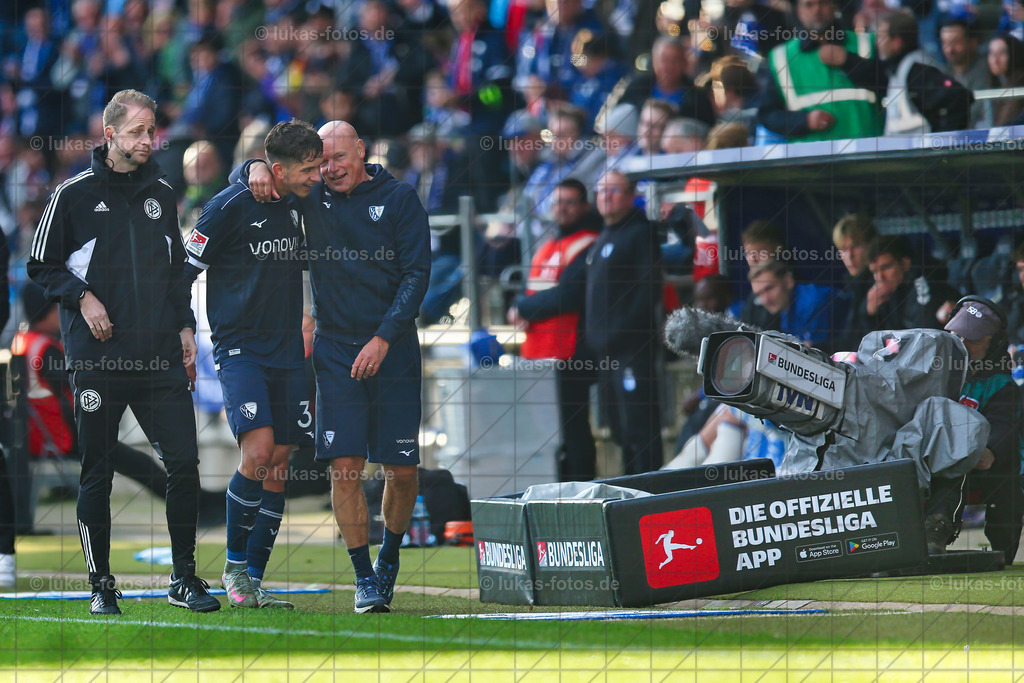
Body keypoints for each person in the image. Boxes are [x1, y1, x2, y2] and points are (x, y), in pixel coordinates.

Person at [27, 89, 220, 615]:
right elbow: (39, 265)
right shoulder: (72, 194)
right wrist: (83, 297)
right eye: (137, 132)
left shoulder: (163, 191)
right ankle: (101, 585)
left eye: (151, 130)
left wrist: (185, 327)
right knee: (99, 470)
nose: (147, 140)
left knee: (184, 463)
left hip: (159, 355)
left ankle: (184, 578)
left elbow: (174, 269)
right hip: (97, 358)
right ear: (109, 135)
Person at [243, 121, 430, 614]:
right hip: (334, 350)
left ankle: (389, 556)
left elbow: (417, 274)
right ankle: (364, 577)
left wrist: (383, 339)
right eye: (320, 161)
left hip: (393, 350)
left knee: (402, 469)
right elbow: (263, 176)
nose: (329, 169)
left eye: (337, 158)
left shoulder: (400, 199)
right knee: (344, 466)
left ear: (362, 152)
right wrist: (255, 166)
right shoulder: (311, 196)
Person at [183, 120, 323, 610]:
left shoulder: (298, 200)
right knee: (259, 452)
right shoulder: (228, 207)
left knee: (280, 462)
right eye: (308, 169)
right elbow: (186, 268)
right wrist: (182, 331)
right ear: (279, 169)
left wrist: (255, 166)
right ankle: (234, 567)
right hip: (239, 347)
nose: (316, 176)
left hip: (287, 349)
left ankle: (254, 580)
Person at [507, 178, 600, 482]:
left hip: (568, 355)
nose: (562, 208)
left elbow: (569, 295)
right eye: (557, 202)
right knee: (547, 435)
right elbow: (534, 292)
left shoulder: (589, 243)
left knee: (573, 431)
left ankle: (581, 488)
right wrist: (520, 307)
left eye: (570, 202)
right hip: (537, 354)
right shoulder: (546, 246)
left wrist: (522, 307)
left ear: (584, 206)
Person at [933, 297, 1023, 559]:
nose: (960, 344)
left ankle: (999, 552)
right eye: (956, 335)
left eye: (971, 338)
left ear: (993, 344)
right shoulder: (934, 374)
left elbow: (989, 456)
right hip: (937, 460)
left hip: (993, 466)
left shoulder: (1002, 387)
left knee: (987, 465)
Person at [586, 170, 663, 475]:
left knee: (639, 426)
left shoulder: (640, 233)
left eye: (614, 191)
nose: (606, 197)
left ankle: (650, 491)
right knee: (618, 429)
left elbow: (648, 290)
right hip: (604, 354)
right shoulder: (602, 236)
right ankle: (629, 490)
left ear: (631, 196)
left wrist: (619, 334)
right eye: (602, 191)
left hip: (632, 351)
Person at [757, 0, 885, 142]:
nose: (817, 10)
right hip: (812, 158)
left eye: (823, 3)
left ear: (834, 5)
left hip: (865, 154)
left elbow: (889, 89)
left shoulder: (867, 43)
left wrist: (848, 61)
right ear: (799, 11)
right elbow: (768, 115)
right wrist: (805, 120)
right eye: (809, 5)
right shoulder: (781, 57)